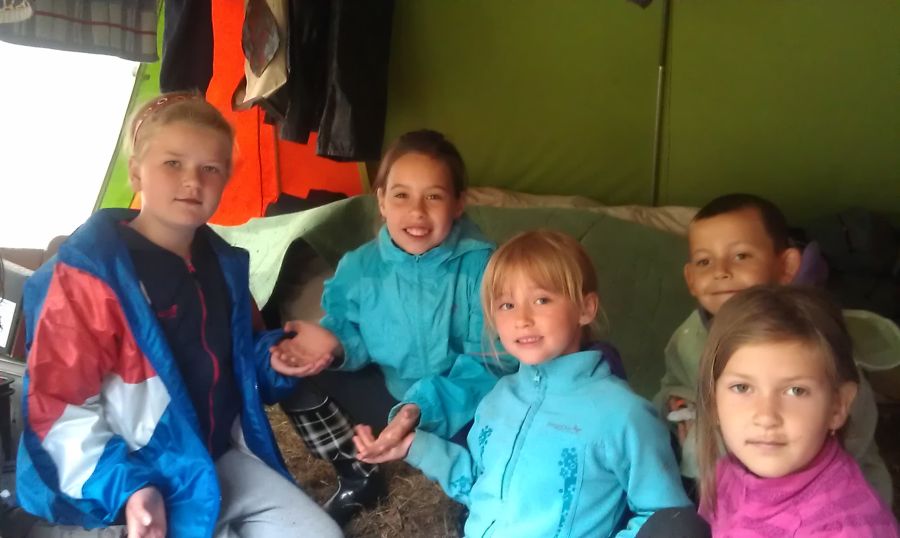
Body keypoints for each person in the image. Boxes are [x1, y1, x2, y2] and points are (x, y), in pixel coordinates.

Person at [14, 93, 341, 538]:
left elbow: (239, 363)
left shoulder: (221, 264)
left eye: (211, 168)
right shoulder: (86, 278)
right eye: (173, 163)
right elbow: (57, 412)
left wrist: (281, 357)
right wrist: (129, 489)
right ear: (136, 172)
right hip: (131, 482)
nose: (192, 181)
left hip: (214, 459)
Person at [354, 230, 694, 537]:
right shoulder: (498, 399)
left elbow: (666, 517)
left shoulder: (623, 414)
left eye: (541, 300)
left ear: (585, 309)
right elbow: (479, 487)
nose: (522, 319)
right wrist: (415, 446)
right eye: (507, 304)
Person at [272, 129, 507, 525]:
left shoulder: (483, 269)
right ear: (381, 200)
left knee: (505, 426)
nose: (416, 212)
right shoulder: (360, 267)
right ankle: (358, 475)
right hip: (392, 396)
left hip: (465, 404)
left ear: (458, 204)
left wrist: (420, 409)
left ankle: (477, 493)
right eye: (401, 195)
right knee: (297, 371)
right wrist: (334, 344)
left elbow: (492, 363)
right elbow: (350, 330)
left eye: (434, 196)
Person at [655, 193, 894, 502]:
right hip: (728, 486)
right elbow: (673, 383)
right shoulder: (689, 335)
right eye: (704, 261)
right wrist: (676, 404)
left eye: (741, 256)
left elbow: (856, 427)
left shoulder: (810, 334)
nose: (720, 271)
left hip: (826, 495)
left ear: (786, 266)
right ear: (690, 278)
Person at [695, 286, 899, 536]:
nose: (766, 416)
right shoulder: (728, 473)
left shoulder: (844, 529)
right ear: (713, 401)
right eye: (742, 387)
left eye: (796, 391)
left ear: (837, 406)